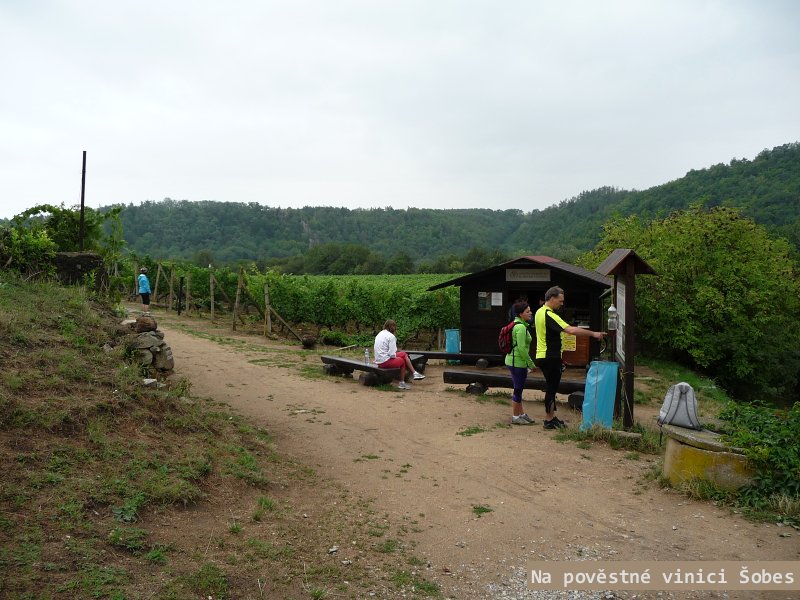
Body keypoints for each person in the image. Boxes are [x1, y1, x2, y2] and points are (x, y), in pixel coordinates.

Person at [534, 286, 606, 429]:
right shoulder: (550, 315)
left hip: (543, 355)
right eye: (560, 301)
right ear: (552, 298)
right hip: (550, 356)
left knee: (551, 387)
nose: (562, 304)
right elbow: (571, 330)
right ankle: (549, 420)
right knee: (551, 389)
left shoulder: (539, 312)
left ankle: (552, 418)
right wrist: (593, 334)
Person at [504, 301, 536, 425]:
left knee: (519, 389)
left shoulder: (516, 324)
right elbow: (522, 349)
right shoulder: (521, 327)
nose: (530, 313)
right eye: (527, 311)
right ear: (520, 314)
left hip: (512, 360)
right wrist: (531, 364)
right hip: (517, 362)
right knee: (518, 389)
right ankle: (515, 417)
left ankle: (521, 414)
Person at [374, 320, 425, 390]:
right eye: (395, 327)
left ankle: (415, 373)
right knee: (402, 361)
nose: (395, 329)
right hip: (384, 362)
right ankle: (402, 383)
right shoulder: (391, 336)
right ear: (392, 327)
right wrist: (396, 355)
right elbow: (392, 354)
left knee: (403, 354)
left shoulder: (380, 333)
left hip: (379, 360)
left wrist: (396, 354)